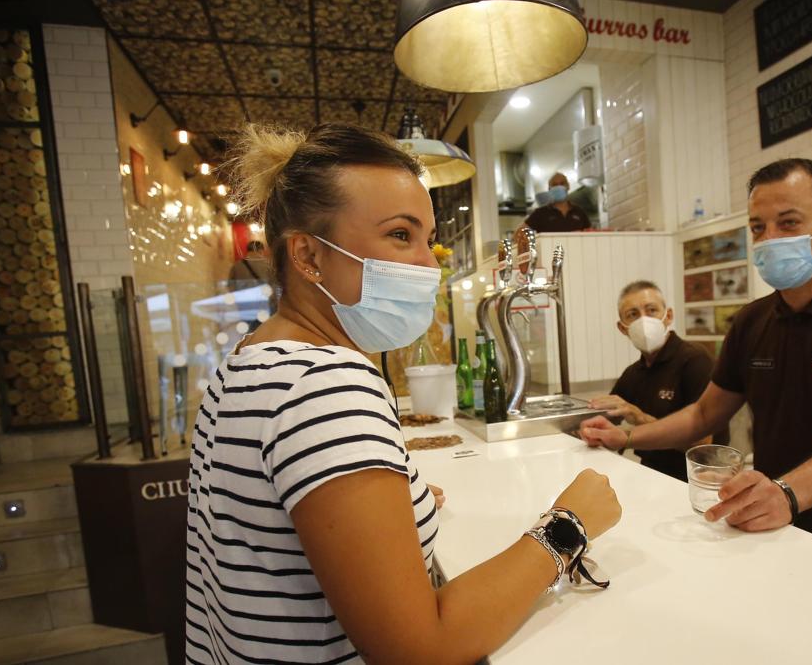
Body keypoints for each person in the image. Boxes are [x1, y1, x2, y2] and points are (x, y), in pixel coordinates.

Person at [186, 123, 621, 664]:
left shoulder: (249, 362)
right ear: (308, 256)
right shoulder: (325, 387)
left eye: (427, 237)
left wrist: (396, 503)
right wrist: (567, 528)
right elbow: (419, 651)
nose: (428, 264)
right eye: (399, 234)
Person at [580, 158, 812, 576]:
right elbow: (703, 413)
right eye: (757, 228)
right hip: (778, 533)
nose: (769, 240)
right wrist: (624, 437)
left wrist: (786, 493)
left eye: (788, 223)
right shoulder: (752, 321)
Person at [590, 280, 716, 481]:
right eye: (633, 315)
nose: (644, 320)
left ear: (668, 316)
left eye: (651, 310)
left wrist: (638, 417)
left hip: (695, 479)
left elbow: (702, 444)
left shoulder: (695, 361)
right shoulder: (633, 374)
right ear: (622, 328)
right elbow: (604, 418)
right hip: (650, 474)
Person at [523, 172, 591, 233]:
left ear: (568, 186)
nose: (559, 187)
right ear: (549, 189)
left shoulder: (580, 212)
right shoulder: (539, 214)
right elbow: (520, 233)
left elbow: (590, 235)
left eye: (562, 184)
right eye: (554, 185)